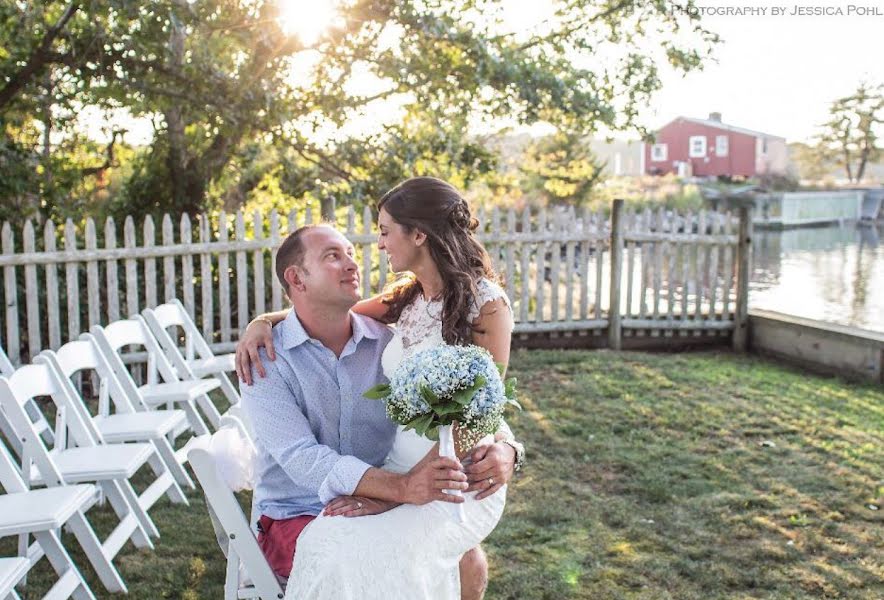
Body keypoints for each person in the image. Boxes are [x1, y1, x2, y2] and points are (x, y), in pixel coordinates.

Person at [237, 177, 525, 600]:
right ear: (297, 278)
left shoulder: (485, 305)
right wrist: (262, 321)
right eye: (336, 256)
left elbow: (482, 406)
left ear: (419, 235)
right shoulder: (405, 302)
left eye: (384, 231)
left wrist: (510, 449)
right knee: (354, 550)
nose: (376, 246)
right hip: (384, 477)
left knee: (405, 553)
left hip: (449, 472)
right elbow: (322, 307)